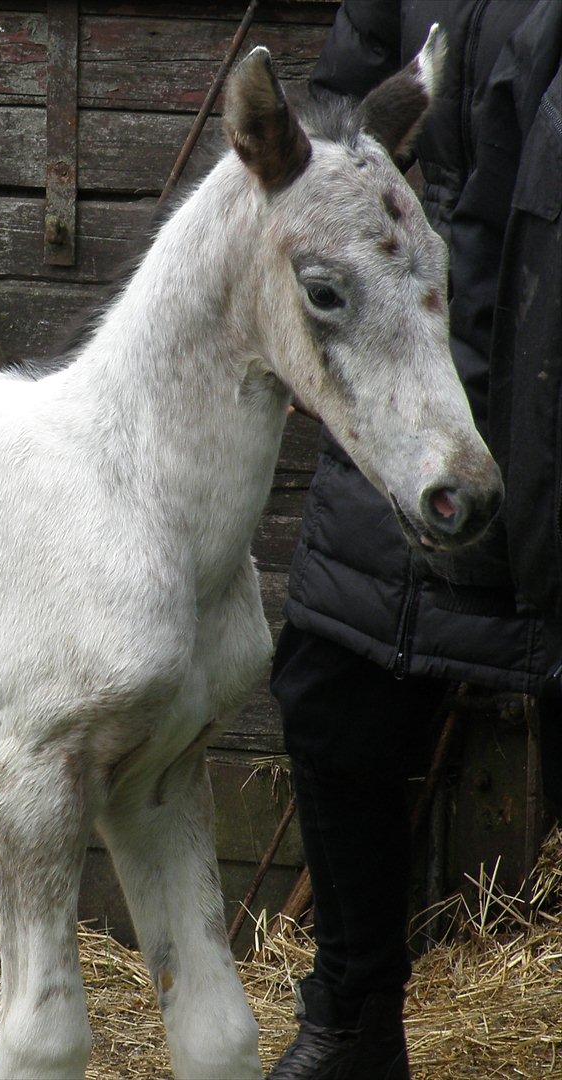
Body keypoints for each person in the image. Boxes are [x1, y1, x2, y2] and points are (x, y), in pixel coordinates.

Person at [268, 2, 562, 1078]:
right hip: (415, 373)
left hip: (548, 366)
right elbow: (338, 114)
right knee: (330, 695)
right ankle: (352, 1022)